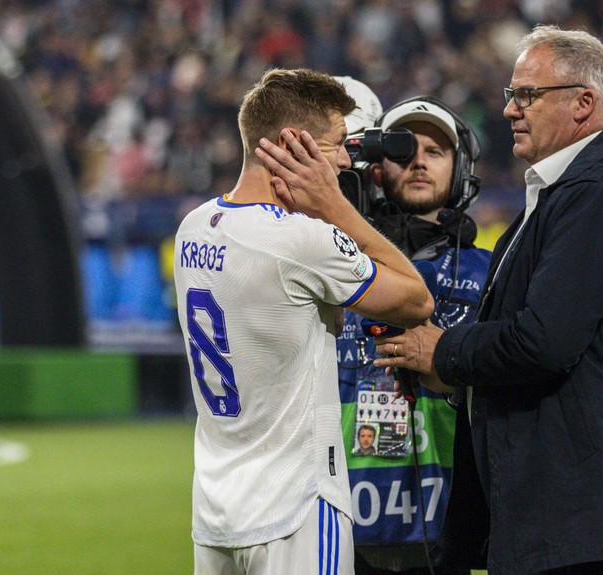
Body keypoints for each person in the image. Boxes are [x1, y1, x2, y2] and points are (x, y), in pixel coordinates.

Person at [367, 25, 603, 575]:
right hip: (583, 515)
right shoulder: (568, 197)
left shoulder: (597, 195)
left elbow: (545, 339)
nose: (509, 110)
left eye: (527, 95)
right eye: (510, 95)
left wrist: (444, 353)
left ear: (584, 103)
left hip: (596, 522)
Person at [174, 67, 434, 575]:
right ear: (294, 145)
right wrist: (337, 208)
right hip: (295, 508)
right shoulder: (301, 242)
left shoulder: (193, 227)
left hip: (215, 510)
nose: (344, 159)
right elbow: (415, 298)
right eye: (337, 143)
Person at [336, 95, 491, 574]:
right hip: (340, 525)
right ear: (377, 169)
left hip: (452, 525)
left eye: (436, 151)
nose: (419, 161)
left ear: (461, 169)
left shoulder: (494, 273)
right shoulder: (332, 264)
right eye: (404, 151)